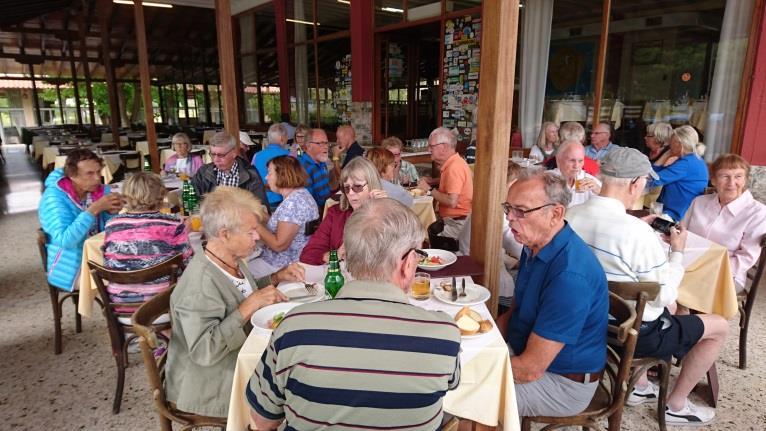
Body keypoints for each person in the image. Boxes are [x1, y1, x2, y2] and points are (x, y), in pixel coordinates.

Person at [247, 198, 461, 430]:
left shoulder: (293, 328)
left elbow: (262, 420)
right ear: (408, 263)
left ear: (347, 255)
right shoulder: (444, 334)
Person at [567, 147, 727, 425]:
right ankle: (675, 404)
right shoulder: (638, 234)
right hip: (628, 334)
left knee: (670, 309)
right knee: (717, 325)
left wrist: (637, 225)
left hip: (583, 321)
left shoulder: (572, 214)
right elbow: (662, 296)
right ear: (635, 183)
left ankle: (639, 387)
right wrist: (677, 252)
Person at [165, 187, 304, 418]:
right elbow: (204, 352)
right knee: (294, 382)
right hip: (212, 384)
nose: (258, 237)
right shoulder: (199, 284)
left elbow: (239, 293)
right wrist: (249, 306)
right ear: (224, 234)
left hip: (237, 357)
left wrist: (275, 277)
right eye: (251, 232)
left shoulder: (229, 259)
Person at [504, 170, 608, 418]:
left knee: (472, 400)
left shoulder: (569, 276)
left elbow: (529, 370)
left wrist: (471, 369)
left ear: (556, 213)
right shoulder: (534, 245)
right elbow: (514, 313)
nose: (509, 218)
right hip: (524, 352)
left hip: (563, 382)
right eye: (507, 208)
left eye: (520, 211)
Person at [103, 172, 193, 307]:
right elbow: (189, 264)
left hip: (121, 301)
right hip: (164, 303)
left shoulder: (111, 224)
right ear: (161, 195)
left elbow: (108, 263)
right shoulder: (173, 224)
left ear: (126, 196)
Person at [39, 149, 123, 291]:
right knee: (126, 281)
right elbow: (65, 240)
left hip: (100, 257)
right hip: (70, 267)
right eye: (89, 173)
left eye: (98, 172)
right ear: (72, 175)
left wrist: (111, 214)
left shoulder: (99, 191)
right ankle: (119, 311)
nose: (97, 178)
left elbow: (108, 233)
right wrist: (93, 210)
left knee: (139, 268)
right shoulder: (54, 198)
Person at [682, 154, 766, 293]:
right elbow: (682, 234)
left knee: (678, 288)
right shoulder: (699, 202)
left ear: (745, 180)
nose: (731, 183)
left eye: (738, 176)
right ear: (713, 180)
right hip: (687, 264)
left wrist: (704, 269)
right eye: (724, 176)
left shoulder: (757, 212)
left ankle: (685, 312)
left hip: (727, 275)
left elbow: (745, 259)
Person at [458, 162, 523, 310]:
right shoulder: (499, 213)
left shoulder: (485, 204)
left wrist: (509, 261)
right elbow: (520, 247)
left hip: (473, 268)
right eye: (515, 186)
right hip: (488, 283)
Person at [300, 157, 386, 264]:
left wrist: (384, 211)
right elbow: (308, 254)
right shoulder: (336, 214)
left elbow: (397, 257)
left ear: (372, 186)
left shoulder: (387, 214)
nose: (350, 193)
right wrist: (337, 254)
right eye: (346, 188)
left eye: (357, 187)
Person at [252, 156, 319, 275]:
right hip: (288, 260)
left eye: (269, 173)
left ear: (281, 175)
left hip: (283, 265)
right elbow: (281, 222)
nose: (266, 177)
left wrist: (253, 223)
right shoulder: (301, 194)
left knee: (238, 272)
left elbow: (279, 245)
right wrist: (258, 213)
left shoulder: (293, 204)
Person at [417, 127, 473, 243]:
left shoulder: (454, 168)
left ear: (443, 147)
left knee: (422, 236)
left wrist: (429, 189)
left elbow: (452, 201)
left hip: (456, 223)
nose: (429, 150)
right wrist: (434, 181)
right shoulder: (455, 162)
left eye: (431, 146)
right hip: (458, 220)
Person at [647, 125, 709, 221]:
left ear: (679, 144)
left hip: (675, 216)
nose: (669, 146)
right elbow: (654, 174)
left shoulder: (686, 164)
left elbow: (652, 180)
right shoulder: (694, 159)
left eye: (671, 142)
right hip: (674, 212)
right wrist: (666, 155)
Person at [190, 132, 268, 207]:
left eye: (221, 155)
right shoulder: (203, 172)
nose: (216, 159)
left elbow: (260, 208)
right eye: (213, 154)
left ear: (234, 153)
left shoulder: (250, 175)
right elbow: (192, 200)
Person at [551, 140, 601, 207]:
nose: (576, 166)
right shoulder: (548, 180)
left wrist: (599, 192)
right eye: (572, 160)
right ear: (558, 160)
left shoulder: (589, 180)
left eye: (580, 161)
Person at [252, 123, 290, 209]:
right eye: (287, 137)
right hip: (281, 201)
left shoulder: (256, 156)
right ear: (282, 139)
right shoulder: (289, 156)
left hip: (260, 200)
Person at [297, 128, 332, 208]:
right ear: (308, 146)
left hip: (326, 209)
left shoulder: (322, 162)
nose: (326, 147)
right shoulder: (302, 167)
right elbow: (307, 203)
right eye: (320, 143)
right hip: (315, 216)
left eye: (326, 143)